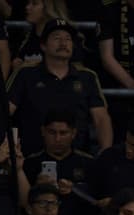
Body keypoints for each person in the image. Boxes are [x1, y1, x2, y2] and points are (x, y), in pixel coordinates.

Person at [7, 18, 111, 157]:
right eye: (57, 38)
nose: (63, 43)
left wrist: (106, 153)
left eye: (68, 39)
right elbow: (4, 113)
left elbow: (101, 118)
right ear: (43, 45)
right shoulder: (25, 74)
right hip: (30, 159)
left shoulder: (87, 77)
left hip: (78, 159)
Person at [21, 108, 98, 215]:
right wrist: (38, 188)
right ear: (43, 131)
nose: (57, 139)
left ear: (73, 133)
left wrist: (74, 189)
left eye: (63, 133)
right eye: (52, 132)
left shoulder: (88, 163)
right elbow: (22, 204)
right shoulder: (29, 163)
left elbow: (97, 199)